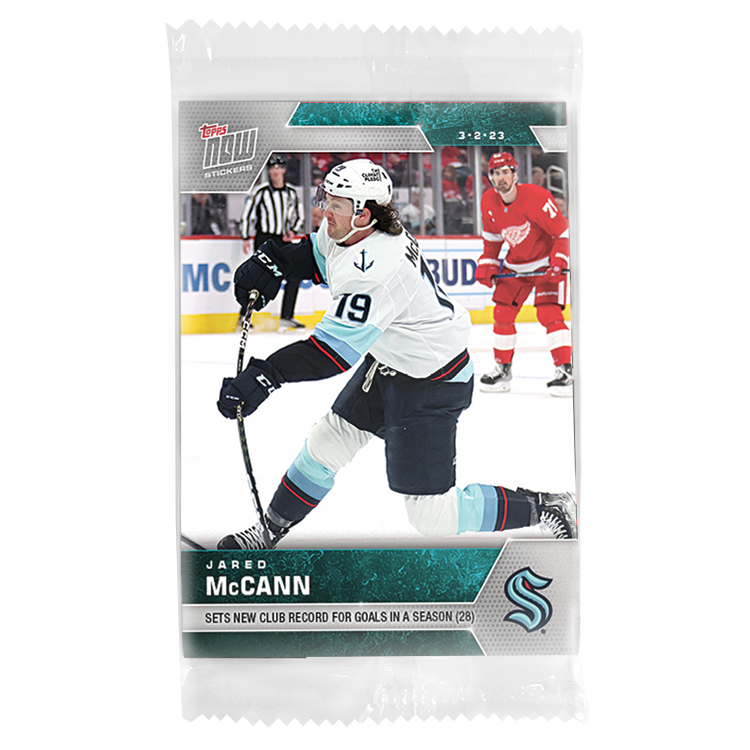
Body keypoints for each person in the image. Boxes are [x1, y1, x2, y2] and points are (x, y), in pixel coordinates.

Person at [215, 158, 576, 550]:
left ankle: (546, 507)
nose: (324, 211)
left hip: (433, 381)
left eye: (335, 204)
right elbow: (318, 255)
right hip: (391, 364)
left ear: (363, 214)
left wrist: (265, 376)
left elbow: (329, 354)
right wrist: (276, 261)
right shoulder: (350, 229)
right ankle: (269, 530)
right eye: (326, 199)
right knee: (326, 442)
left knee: (432, 515)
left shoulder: (378, 268)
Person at [475, 152, 573, 396]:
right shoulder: (488, 201)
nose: (501, 178)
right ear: (490, 177)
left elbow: (562, 232)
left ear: (515, 174)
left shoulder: (537, 197)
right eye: (496, 173)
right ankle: (502, 370)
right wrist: (488, 263)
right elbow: (493, 240)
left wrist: (559, 260)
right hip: (517, 266)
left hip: (545, 264)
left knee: (549, 313)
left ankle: (565, 370)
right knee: (502, 313)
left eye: (505, 172)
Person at [239, 155, 305, 330]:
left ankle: (287, 316)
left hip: (283, 239)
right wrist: (245, 236)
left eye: (278, 168)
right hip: (265, 239)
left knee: (294, 275)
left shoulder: (291, 193)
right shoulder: (261, 192)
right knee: (259, 277)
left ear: (284, 170)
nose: (275, 172)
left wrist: (293, 230)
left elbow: (300, 215)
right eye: (272, 168)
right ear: (268, 171)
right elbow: (247, 214)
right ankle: (244, 316)